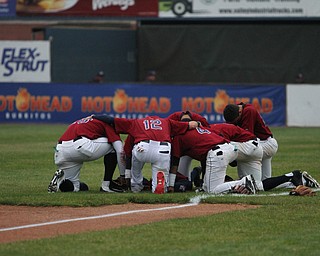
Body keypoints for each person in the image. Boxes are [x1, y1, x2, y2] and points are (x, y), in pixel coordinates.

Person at [92, 114, 199, 194]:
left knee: (136, 159)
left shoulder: (137, 122)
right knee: (160, 178)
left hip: (143, 148)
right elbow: (190, 125)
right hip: (163, 150)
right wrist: (197, 123)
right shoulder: (167, 122)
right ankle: (160, 184)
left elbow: (112, 120)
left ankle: (136, 185)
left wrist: (95, 116)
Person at [48, 115, 125, 193]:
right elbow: (120, 151)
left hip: (60, 150)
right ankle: (106, 185)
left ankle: (60, 181)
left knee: (75, 188)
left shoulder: (82, 121)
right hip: (79, 146)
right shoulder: (108, 124)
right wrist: (123, 176)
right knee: (113, 147)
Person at [170, 125, 246, 194]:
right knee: (206, 188)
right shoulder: (198, 129)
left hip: (217, 152)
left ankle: (244, 182)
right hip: (229, 147)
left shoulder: (178, 137)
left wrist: (171, 185)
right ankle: (240, 184)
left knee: (212, 190)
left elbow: (175, 163)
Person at [223, 103, 278, 180]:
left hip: (266, 144)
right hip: (262, 142)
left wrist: (233, 156)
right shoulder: (235, 110)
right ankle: (290, 179)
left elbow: (246, 138)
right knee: (266, 181)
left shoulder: (248, 111)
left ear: (239, 113)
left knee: (243, 152)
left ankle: (244, 180)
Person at [168, 111, 210, 179]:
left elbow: (208, 133)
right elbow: (166, 132)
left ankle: (203, 179)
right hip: (183, 148)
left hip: (197, 146)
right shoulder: (172, 119)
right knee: (183, 178)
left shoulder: (201, 120)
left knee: (206, 154)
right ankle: (196, 172)